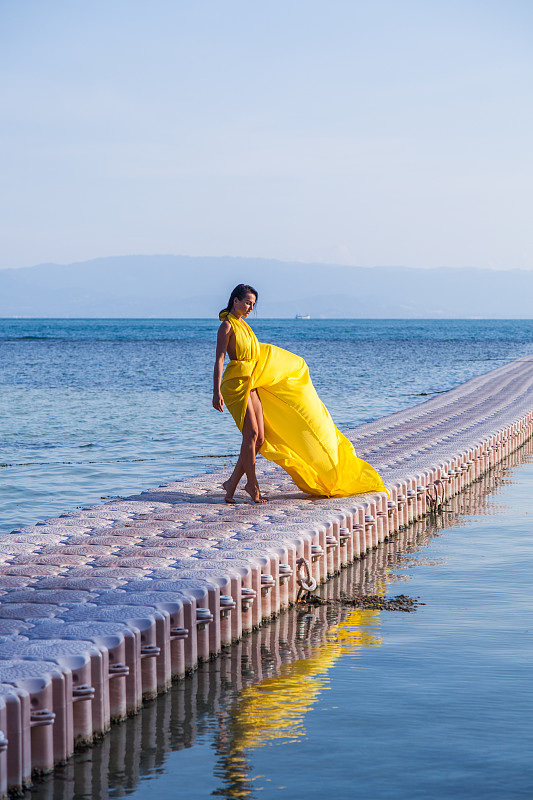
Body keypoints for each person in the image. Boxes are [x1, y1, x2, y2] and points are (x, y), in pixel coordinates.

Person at [213, 283, 389, 504]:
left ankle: (231, 484)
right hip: (236, 385)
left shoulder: (244, 325)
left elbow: (257, 357)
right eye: (247, 302)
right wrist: (215, 391)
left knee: (260, 439)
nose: (250, 308)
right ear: (235, 300)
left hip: (252, 382)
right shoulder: (227, 327)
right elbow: (220, 360)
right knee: (251, 435)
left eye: (253, 305)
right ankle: (252, 485)